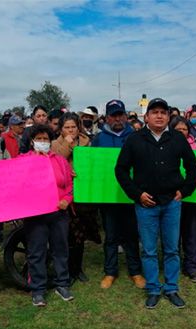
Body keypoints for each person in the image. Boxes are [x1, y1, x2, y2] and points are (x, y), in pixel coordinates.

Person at [115, 98, 196, 309]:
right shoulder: (134, 140)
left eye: (163, 112)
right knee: (149, 250)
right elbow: (121, 170)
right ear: (147, 117)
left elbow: (193, 167)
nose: (160, 116)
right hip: (146, 205)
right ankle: (153, 288)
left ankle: (171, 288)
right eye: (155, 112)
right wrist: (137, 194)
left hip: (171, 203)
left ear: (168, 116)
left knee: (171, 249)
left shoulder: (177, 140)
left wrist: (185, 191)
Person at [92, 99, 145, 289]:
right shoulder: (98, 139)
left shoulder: (136, 136)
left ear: (125, 115)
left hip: (130, 194)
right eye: (113, 115)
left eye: (120, 114)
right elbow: (92, 165)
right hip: (108, 196)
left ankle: (135, 271)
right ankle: (110, 271)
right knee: (111, 235)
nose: (117, 118)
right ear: (107, 117)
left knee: (132, 235)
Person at [21, 125, 74, 306]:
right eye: (39, 139)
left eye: (46, 139)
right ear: (31, 141)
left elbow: (69, 185)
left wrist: (67, 199)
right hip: (35, 215)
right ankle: (38, 289)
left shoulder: (59, 160)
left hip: (58, 212)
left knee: (61, 249)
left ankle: (62, 283)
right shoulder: (23, 161)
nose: (42, 142)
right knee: (36, 252)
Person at [51, 112, 101, 282]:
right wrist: (67, 143)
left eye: (73, 127)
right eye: (67, 127)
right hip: (64, 193)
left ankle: (78, 268)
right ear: (61, 129)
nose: (71, 130)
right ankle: (68, 270)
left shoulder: (87, 142)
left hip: (82, 193)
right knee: (67, 235)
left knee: (80, 235)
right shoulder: (54, 144)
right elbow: (57, 161)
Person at [170, 116, 196, 282]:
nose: (182, 132)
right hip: (173, 196)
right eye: (178, 129)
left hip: (194, 196)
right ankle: (173, 265)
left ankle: (191, 266)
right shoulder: (165, 144)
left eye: (184, 129)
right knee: (173, 233)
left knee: (193, 232)